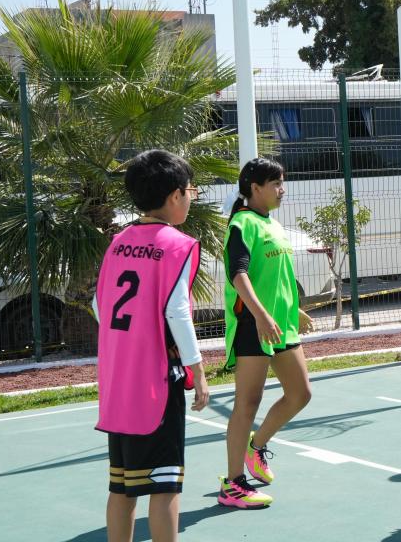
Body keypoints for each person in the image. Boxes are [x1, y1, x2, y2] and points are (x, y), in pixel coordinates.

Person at [93, 150, 210, 542]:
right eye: (191, 190)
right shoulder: (178, 246)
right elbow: (177, 312)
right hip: (156, 383)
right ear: (175, 195)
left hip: (118, 382)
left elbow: (100, 305)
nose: (192, 197)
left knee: (122, 487)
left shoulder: (118, 243)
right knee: (165, 485)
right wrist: (198, 368)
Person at [219, 157, 314, 509]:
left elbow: (278, 276)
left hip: (280, 325)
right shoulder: (242, 224)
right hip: (252, 325)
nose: (282, 189)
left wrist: (294, 308)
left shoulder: (272, 224)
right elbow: (239, 276)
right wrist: (260, 315)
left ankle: (255, 447)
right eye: (275, 183)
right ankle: (233, 484)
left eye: (282, 182)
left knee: (300, 394)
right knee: (247, 403)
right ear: (254, 188)